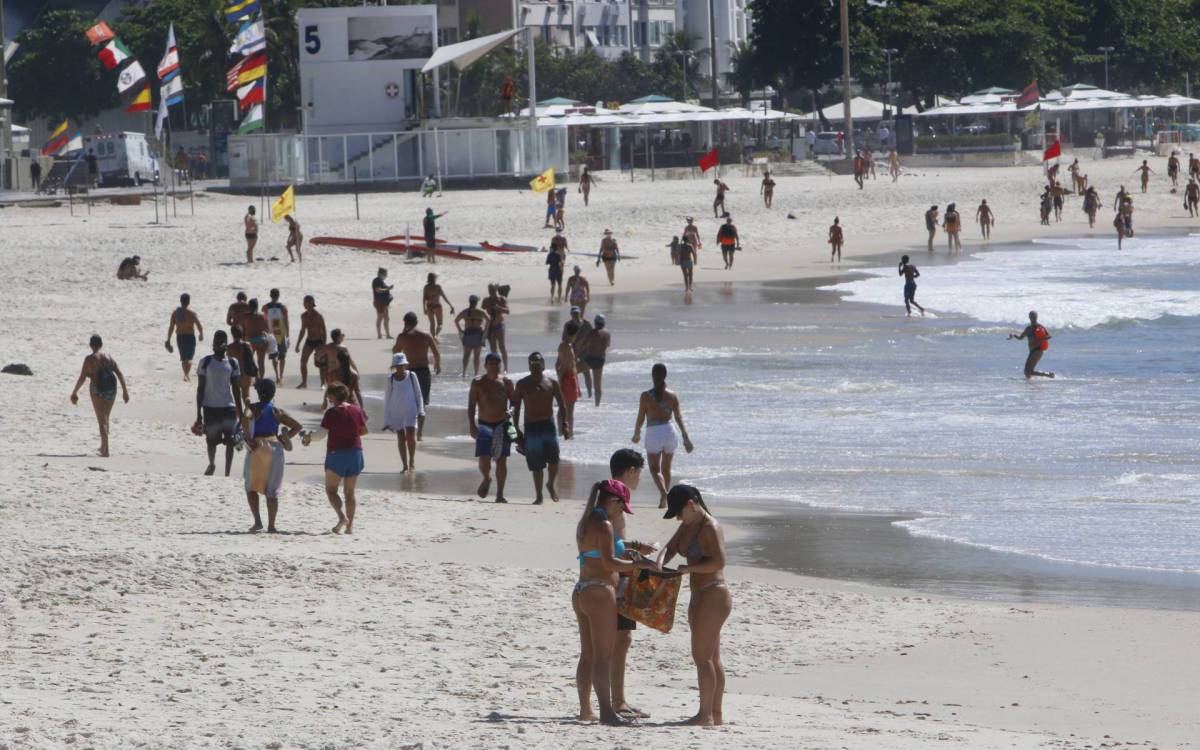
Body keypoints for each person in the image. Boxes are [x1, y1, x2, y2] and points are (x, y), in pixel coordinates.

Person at [573, 479, 657, 726]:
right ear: (613, 501)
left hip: (581, 591)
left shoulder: (587, 520)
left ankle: (585, 710)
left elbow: (600, 554)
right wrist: (639, 564)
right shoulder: (604, 524)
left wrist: (633, 548)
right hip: (600, 592)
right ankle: (607, 713)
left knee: (587, 655)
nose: (622, 511)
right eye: (621, 506)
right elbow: (610, 563)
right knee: (602, 657)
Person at [661, 484, 731, 727]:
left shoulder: (710, 527)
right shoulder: (688, 525)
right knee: (711, 656)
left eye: (680, 512)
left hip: (714, 594)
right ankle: (715, 714)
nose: (679, 518)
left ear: (692, 504)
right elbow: (669, 549)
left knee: (702, 657)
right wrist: (656, 564)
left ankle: (705, 715)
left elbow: (719, 561)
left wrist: (689, 568)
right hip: (700, 593)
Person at [604, 449, 655, 719]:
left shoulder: (608, 494)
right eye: (640, 473)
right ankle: (616, 701)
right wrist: (636, 558)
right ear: (632, 471)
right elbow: (610, 545)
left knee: (620, 639)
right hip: (616, 578)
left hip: (616, 575)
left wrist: (635, 547)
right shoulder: (616, 497)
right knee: (618, 640)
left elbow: (615, 542)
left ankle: (618, 699)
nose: (640, 479)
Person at [303, 383, 368, 534]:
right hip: (355, 453)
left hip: (337, 454)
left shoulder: (331, 413)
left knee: (331, 490)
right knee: (350, 493)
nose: (328, 398)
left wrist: (308, 438)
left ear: (333, 396)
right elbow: (364, 431)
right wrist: (349, 434)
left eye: (329, 395)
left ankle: (341, 517)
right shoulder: (357, 410)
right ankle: (350, 528)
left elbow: (319, 436)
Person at [240, 378, 301, 533]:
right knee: (272, 491)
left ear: (258, 393)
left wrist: (248, 435)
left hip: (257, 448)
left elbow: (244, 418)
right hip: (275, 448)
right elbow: (297, 427)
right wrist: (283, 438)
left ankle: (258, 522)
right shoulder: (277, 411)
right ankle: (272, 526)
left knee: (251, 487)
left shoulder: (253, 408)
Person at [632, 363, 694, 508]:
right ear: (665, 376)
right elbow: (678, 417)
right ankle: (664, 500)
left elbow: (641, 417)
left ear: (652, 375)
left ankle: (663, 493)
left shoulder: (646, 396)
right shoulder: (672, 396)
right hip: (669, 431)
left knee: (654, 468)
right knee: (666, 468)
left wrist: (637, 433)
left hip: (654, 433)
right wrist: (685, 437)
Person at [513, 352, 569, 504]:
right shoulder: (522, 384)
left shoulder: (551, 383)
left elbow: (562, 405)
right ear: (529, 366)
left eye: (538, 363)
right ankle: (539, 495)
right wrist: (516, 428)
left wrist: (565, 424)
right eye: (533, 364)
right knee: (536, 463)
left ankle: (550, 483)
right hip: (531, 426)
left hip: (548, 425)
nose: (536, 366)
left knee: (554, 459)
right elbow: (516, 408)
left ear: (543, 364)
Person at [69, 334, 129, 458]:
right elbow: (119, 373)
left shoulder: (89, 359)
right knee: (106, 418)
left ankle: (105, 451)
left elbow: (82, 378)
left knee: (101, 420)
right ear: (101, 344)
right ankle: (103, 446)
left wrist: (74, 392)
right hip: (112, 389)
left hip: (98, 390)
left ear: (91, 345)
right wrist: (125, 391)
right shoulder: (109, 357)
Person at [194, 331, 245, 477]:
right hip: (210, 408)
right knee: (211, 441)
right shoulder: (205, 362)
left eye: (223, 342)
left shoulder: (233, 363)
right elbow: (200, 388)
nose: (220, 344)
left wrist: (240, 412)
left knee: (230, 441)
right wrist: (198, 413)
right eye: (217, 341)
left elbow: (236, 389)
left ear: (226, 345)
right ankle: (212, 463)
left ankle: (227, 473)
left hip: (228, 407)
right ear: (213, 344)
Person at [468, 352, 516, 503]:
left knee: (501, 460)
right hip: (484, 425)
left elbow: (514, 402)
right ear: (485, 365)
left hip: (502, 425)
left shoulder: (506, 382)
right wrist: (472, 425)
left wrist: (511, 411)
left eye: (497, 364)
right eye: (491, 364)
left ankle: (500, 494)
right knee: (484, 460)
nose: (494, 366)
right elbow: (471, 406)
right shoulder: (477, 382)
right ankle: (487, 478)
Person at [392, 311, 441, 439]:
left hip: (408, 371)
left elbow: (395, 352)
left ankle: (408, 429)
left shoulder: (403, 337)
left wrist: (404, 333)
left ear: (405, 323)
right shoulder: (426, 335)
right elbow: (436, 353)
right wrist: (437, 365)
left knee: (407, 400)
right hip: (424, 371)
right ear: (417, 322)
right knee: (422, 402)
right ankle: (419, 433)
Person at [384, 352, 425, 473]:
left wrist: (421, 410)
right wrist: (387, 420)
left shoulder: (412, 376)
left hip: (410, 410)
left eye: (402, 365)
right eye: (398, 366)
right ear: (394, 367)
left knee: (410, 436)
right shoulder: (390, 379)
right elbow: (387, 399)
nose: (400, 368)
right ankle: (404, 465)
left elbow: (419, 394)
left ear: (405, 365)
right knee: (401, 438)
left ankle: (412, 460)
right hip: (396, 411)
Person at [165, 293, 204, 381]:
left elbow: (171, 326)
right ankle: (186, 374)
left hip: (180, 337)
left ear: (180, 301)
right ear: (189, 302)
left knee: (183, 358)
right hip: (190, 337)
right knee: (189, 358)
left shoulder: (175, 313)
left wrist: (168, 339)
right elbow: (199, 326)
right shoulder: (192, 314)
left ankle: (185, 374)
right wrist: (201, 335)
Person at [1009, 311, 1055, 379]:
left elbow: (1049, 336)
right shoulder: (1028, 328)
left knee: (1027, 371)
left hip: (1038, 350)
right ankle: (1030, 386)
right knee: (1027, 373)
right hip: (1032, 351)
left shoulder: (1039, 327)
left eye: (1034, 316)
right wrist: (1013, 335)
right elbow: (1020, 338)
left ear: (1037, 317)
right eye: (1031, 316)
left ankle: (1049, 375)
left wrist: (1039, 340)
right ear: (1029, 317)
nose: (1033, 318)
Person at [295, 295, 327, 389]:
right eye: (304, 302)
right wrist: (298, 344)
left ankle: (322, 383)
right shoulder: (303, 316)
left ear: (311, 303)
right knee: (303, 362)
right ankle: (304, 382)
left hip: (319, 342)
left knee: (321, 364)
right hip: (309, 341)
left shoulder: (318, 316)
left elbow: (324, 330)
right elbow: (302, 331)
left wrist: (324, 345)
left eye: (306, 302)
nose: (304, 304)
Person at [454, 295, 491, 377]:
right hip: (478, 333)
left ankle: (464, 372)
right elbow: (488, 320)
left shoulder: (465, 312)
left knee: (466, 355)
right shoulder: (480, 312)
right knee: (476, 356)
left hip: (468, 333)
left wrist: (460, 330)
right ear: (476, 302)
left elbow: (456, 321)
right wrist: (485, 330)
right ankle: (476, 373)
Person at [556, 322, 582, 439]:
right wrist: (560, 383)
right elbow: (562, 366)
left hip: (571, 379)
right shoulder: (565, 346)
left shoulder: (568, 346)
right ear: (574, 334)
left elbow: (563, 365)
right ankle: (567, 433)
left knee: (568, 408)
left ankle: (565, 432)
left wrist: (578, 385)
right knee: (567, 409)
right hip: (567, 379)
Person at [583, 314, 611, 407]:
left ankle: (575, 394)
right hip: (600, 359)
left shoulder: (591, 332)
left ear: (595, 323)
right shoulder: (607, 334)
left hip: (590, 358)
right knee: (598, 385)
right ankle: (597, 405)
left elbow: (584, 344)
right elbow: (607, 345)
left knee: (574, 371)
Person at [263, 289, 289, 384]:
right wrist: (288, 334)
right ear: (278, 296)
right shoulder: (283, 308)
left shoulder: (265, 307)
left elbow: (265, 319)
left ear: (270, 295)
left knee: (273, 354)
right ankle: (281, 376)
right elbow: (286, 321)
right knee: (282, 355)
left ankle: (277, 376)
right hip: (280, 331)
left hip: (271, 332)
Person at [482, 284, 511, 370]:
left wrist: (499, 308)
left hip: (499, 325)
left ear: (496, 289)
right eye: (489, 289)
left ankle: (505, 367)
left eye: (492, 289)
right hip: (491, 326)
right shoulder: (486, 299)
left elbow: (507, 311)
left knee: (502, 346)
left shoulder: (501, 299)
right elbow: (483, 307)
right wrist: (489, 306)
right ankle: (496, 367)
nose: (490, 291)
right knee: (493, 348)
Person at [243, 298, 272, 379]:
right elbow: (268, 329)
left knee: (249, 361)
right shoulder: (262, 316)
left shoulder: (245, 317)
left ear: (249, 306)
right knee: (261, 362)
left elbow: (242, 330)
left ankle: (249, 378)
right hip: (261, 340)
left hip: (250, 341)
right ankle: (260, 379)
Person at [227, 324, 258, 402]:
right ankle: (247, 411)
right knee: (246, 396)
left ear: (232, 334)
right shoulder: (247, 345)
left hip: (234, 375)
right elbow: (252, 360)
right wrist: (257, 375)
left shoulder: (229, 348)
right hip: (246, 374)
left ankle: (239, 413)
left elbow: (228, 363)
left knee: (236, 398)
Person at [422, 273, 455, 337]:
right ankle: (436, 336)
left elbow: (424, 299)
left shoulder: (426, 287)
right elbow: (444, 297)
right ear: (434, 279)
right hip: (437, 306)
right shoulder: (438, 287)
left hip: (429, 306)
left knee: (432, 324)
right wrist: (450, 305)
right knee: (440, 324)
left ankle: (433, 338)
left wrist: (424, 309)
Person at [372, 267, 394, 339]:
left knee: (387, 318)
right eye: (385, 274)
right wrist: (388, 289)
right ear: (381, 273)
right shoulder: (377, 280)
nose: (386, 275)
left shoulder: (381, 281)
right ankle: (379, 334)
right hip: (379, 302)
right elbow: (378, 290)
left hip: (384, 302)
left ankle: (388, 334)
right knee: (380, 318)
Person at [547, 231, 568, 302]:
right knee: (559, 284)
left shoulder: (550, 254)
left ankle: (552, 297)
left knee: (553, 285)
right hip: (558, 268)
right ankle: (559, 298)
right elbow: (566, 246)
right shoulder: (562, 239)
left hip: (552, 270)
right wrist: (561, 269)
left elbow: (547, 262)